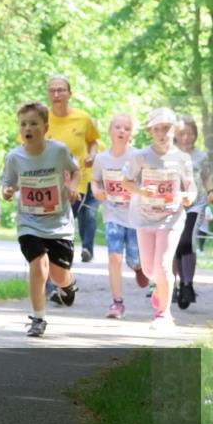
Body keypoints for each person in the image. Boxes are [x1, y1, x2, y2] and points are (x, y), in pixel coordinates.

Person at [1, 102, 81, 337]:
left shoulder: (58, 151)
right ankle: (38, 317)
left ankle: (67, 285)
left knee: (58, 274)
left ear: (45, 127)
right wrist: (6, 192)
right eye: (23, 124)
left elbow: (75, 171)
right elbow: (8, 184)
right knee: (39, 264)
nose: (28, 128)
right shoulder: (14, 157)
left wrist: (73, 186)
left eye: (34, 123)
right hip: (30, 223)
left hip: (59, 225)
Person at [122, 108, 196, 329]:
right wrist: (143, 192)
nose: (163, 133)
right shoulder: (140, 156)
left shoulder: (182, 158)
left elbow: (191, 187)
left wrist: (187, 197)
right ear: (150, 131)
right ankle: (160, 288)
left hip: (171, 218)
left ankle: (164, 314)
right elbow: (126, 181)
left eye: (167, 128)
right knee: (148, 270)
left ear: (175, 130)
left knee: (163, 266)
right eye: (158, 129)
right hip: (145, 218)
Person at [91, 113, 144, 319]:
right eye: (118, 127)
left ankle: (139, 267)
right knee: (114, 256)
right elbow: (95, 181)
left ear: (131, 133)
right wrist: (96, 190)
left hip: (134, 215)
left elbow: (147, 181)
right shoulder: (101, 159)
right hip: (112, 212)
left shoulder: (138, 156)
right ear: (110, 131)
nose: (122, 131)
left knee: (134, 257)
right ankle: (117, 303)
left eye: (127, 128)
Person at [45, 76, 100, 264]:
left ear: (70, 93)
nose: (56, 94)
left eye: (61, 90)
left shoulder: (83, 118)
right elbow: (26, 144)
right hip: (47, 182)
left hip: (77, 181)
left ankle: (57, 269)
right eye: (52, 90)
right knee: (51, 227)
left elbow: (93, 141)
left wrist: (92, 155)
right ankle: (55, 268)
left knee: (64, 221)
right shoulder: (41, 118)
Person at [172, 115, 213, 308]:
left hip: (196, 205)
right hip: (173, 205)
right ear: (176, 135)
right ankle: (176, 285)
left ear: (195, 135)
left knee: (186, 241)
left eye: (190, 134)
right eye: (182, 133)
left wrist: (212, 192)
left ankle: (187, 284)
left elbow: (207, 177)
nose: (187, 137)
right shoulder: (168, 154)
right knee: (174, 245)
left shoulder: (201, 156)